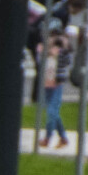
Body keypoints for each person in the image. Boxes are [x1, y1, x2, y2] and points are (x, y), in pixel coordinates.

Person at [33, 19, 69, 150]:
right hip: (46, 83)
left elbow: (66, 60)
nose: (52, 39)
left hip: (56, 85)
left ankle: (47, 138)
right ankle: (63, 137)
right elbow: (39, 59)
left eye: (54, 36)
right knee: (53, 113)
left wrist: (61, 47)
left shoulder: (62, 50)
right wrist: (47, 49)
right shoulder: (41, 48)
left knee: (51, 112)